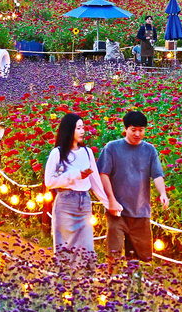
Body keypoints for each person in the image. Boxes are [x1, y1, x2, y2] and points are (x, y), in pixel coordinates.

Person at [99, 110, 169, 267]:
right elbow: (103, 174)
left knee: (140, 256)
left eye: (141, 130)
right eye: (133, 129)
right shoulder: (112, 148)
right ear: (125, 128)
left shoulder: (149, 150)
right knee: (114, 254)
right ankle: (113, 285)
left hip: (140, 210)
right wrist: (111, 200)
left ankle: (134, 287)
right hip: (117, 210)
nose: (137, 133)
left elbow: (157, 174)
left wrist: (162, 193)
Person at [44, 112, 108, 253]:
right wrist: (74, 175)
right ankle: (63, 275)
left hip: (84, 203)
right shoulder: (58, 153)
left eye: (83, 128)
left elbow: (95, 182)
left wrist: (108, 204)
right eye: (78, 128)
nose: (82, 131)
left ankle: (85, 275)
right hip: (65, 202)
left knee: (86, 251)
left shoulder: (87, 152)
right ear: (69, 129)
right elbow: (49, 182)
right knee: (65, 250)